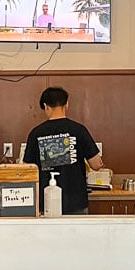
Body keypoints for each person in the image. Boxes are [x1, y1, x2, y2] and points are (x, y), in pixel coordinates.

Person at [23, 87, 104, 215]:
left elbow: (28, 170)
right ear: (66, 105)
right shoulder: (79, 130)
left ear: (45, 106)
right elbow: (96, 164)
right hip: (75, 201)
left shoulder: (36, 133)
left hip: (45, 203)